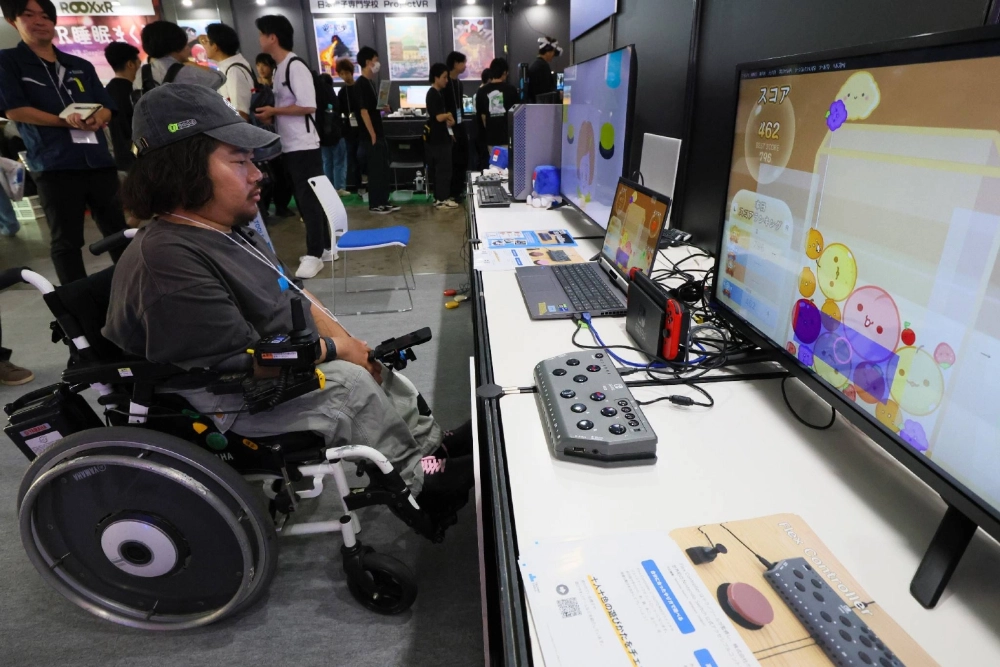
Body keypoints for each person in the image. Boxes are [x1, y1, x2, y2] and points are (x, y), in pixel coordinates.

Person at [103, 83, 472, 510]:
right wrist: (335, 351)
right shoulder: (168, 260)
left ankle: (431, 449)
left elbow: (291, 291)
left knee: (374, 360)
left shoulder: (231, 232)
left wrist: (351, 346)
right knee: (349, 385)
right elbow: (241, 362)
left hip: (276, 358)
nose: (258, 173)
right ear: (181, 170)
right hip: (224, 392)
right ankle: (419, 485)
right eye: (239, 161)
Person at [0, 0, 128, 285]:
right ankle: (76, 306)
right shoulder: (8, 62)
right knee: (66, 242)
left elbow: (107, 106)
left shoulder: (79, 64)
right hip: (54, 164)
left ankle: (135, 289)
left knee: (119, 232)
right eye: (29, 15)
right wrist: (65, 121)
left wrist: (97, 118)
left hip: (98, 161)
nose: (39, 21)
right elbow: (14, 110)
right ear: (13, 21)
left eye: (45, 16)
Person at [254, 14, 333, 279]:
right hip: (292, 144)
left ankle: (314, 254)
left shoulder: (294, 66)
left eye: (262, 34)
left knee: (308, 199)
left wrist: (274, 110)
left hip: (303, 145)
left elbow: (308, 105)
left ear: (272, 37)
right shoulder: (280, 68)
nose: (259, 39)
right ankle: (324, 248)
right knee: (309, 197)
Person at [355, 46, 398, 215]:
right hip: (370, 136)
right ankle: (375, 203)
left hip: (379, 133)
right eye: (375, 60)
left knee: (382, 168)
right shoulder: (360, 84)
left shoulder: (371, 83)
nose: (377, 63)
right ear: (368, 62)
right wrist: (372, 133)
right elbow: (363, 111)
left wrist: (384, 108)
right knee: (374, 170)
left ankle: (383, 200)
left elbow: (373, 109)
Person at [140, 20, 225, 91]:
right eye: (185, 44)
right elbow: (220, 78)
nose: (188, 48)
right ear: (177, 44)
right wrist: (191, 63)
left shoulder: (140, 74)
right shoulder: (186, 72)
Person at [103, 41, 140, 176]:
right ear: (130, 64)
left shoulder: (106, 92)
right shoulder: (133, 93)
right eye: (138, 63)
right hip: (138, 160)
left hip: (118, 160)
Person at [203, 22, 254, 121]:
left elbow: (241, 113)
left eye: (206, 42)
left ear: (215, 46)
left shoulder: (233, 71)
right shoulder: (229, 65)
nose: (203, 46)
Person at [425, 64, 457, 210]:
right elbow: (438, 117)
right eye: (444, 77)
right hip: (437, 140)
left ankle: (442, 196)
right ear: (436, 77)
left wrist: (449, 124)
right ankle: (441, 198)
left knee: (445, 169)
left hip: (443, 136)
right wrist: (448, 115)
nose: (446, 80)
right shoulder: (432, 94)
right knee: (443, 169)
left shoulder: (439, 93)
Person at [475, 58, 518, 155]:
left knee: (495, 166)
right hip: (509, 137)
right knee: (509, 167)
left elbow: (483, 118)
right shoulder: (511, 90)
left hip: (491, 138)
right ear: (504, 72)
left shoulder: (482, 91)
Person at [443, 51, 468, 201]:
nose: (465, 66)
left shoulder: (459, 83)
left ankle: (458, 191)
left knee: (463, 159)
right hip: (449, 128)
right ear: (455, 64)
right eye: (463, 62)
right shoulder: (445, 84)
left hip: (460, 125)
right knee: (452, 161)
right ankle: (451, 193)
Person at [318, 72, 348, 196]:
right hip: (335, 135)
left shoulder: (316, 97)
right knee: (339, 161)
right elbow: (334, 111)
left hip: (322, 137)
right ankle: (339, 187)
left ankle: (328, 188)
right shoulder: (331, 96)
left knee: (327, 162)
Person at [335, 58, 360, 195]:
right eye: (341, 74)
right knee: (352, 159)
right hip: (349, 130)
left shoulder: (359, 88)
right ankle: (357, 186)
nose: (345, 76)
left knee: (362, 157)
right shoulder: (342, 92)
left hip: (361, 129)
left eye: (346, 73)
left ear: (351, 72)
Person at [527, 36, 562, 103]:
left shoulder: (536, 64)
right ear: (548, 52)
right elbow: (546, 91)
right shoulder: (543, 66)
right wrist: (559, 94)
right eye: (553, 52)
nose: (553, 55)